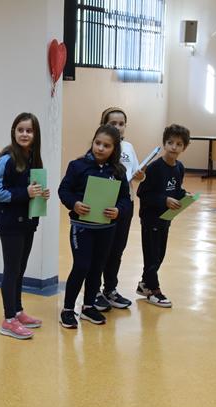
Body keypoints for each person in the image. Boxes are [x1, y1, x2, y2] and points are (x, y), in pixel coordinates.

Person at [58, 125, 131, 328]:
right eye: (97, 143)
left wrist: (118, 210)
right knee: (81, 266)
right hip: (81, 227)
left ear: (114, 149)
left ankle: (89, 306)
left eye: (106, 146)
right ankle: (67, 309)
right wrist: (74, 204)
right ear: (93, 142)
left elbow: (125, 199)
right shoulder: (77, 166)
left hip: (106, 229)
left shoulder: (118, 171)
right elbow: (64, 190)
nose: (100, 148)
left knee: (97, 267)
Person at [0, 112, 50, 340]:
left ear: (36, 134)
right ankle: (8, 320)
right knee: (11, 270)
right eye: (20, 130)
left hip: (28, 222)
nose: (24, 134)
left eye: (29, 130)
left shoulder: (33, 158)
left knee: (20, 269)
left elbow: (30, 191)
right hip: (10, 224)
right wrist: (25, 193)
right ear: (13, 132)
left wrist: (41, 194)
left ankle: (17, 310)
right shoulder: (6, 160)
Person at [94, 107, 145, 311]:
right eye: (112, 123)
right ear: (103, 125)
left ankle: (110, 289)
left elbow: (135, 172)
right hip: (104, 203)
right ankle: (93, 291)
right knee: (100, 249)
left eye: (121, 123)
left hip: (125, 204)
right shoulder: (100, 148)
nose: (117, 127)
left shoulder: (129, 147)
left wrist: (140, 176)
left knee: (117, 249)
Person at [136, 124, 191, 308]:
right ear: (164, 143)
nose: (174, 147)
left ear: (184, 147)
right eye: (170, 142)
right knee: (151, 256)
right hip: (150, 219)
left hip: (166, 219)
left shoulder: (179, 168)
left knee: (159, 255)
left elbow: (175, 189)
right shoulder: (154, 168)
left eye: (179, 144)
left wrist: (184, 195)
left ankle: (145, 284)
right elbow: (143, 193)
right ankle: (154, 290)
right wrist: (164, 200)